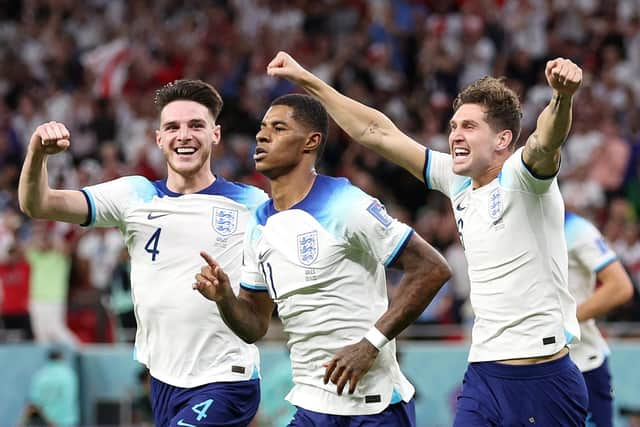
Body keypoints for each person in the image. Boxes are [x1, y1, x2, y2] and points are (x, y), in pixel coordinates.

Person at [265, 51, 589, 426]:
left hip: (542, 377)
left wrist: (562, 98)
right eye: (453, 126)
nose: (455, 136)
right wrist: (307, 79)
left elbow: (545, 141)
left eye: (469, 127)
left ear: (502, 139)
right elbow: (377, 132)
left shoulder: (523, 178)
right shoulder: (458, 181)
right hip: (483, 373)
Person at [18, 80, 268, 427]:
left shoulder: (252, 204)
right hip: (163, 380)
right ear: (158, 138)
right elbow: (38, 204)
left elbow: (261, 312)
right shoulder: (133, 195)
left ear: (215, 134)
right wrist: (37, 154)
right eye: (173, 127)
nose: (184, 135)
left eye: (196, 125)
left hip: (226, 378)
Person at [193, 93, 451, 426]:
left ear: (311, 141)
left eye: (279, 128)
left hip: (372, 407)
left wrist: (371, 344)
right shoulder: (258, 224)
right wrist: (225, 299)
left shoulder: (345, 204)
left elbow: (431, 269)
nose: (262, 135)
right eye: (262, 128)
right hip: (311, 403)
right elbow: (254, 324)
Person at [564, 211, 634, 427]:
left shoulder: (575, 228)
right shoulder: (515, 225)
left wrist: (563, 325)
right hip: (530, 364)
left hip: (583, 365)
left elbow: (620, 287)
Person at [20, 349, 79, 427]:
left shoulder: (41, 375)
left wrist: (21, 423)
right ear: (62, 358)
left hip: (48, 421)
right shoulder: (69, 374)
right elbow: (71, 398)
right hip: (68, 421)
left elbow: (34, 402)